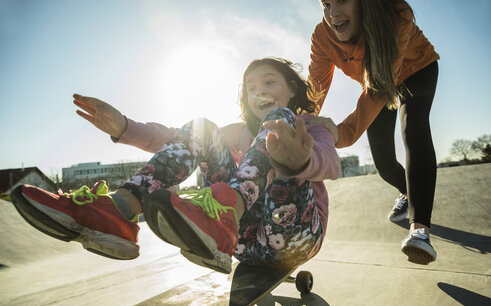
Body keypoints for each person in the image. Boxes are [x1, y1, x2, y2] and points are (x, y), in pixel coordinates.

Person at [13, 57, 340, 274]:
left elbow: (331, 163)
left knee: (280, 122)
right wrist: (125, 127)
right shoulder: (236, 133)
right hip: (239, 242)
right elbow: (174, 139)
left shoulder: (311, 125)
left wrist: (303, 160)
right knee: (204, 127)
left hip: (295, 237)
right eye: (252, 88)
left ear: (291, 87)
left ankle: (225, 213)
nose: (260, 93)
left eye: (269, 83)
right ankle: (118, 211)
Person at [308, 0, 439, 265]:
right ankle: (406, 192)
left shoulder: (395, 16)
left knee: (412, 127)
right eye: (326, 4)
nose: (332, 14)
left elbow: (380, 87)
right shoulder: (323, 36)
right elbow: (313, 93)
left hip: (417, 70)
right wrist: (293, 125)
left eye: (341, 1)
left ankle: (420, 230)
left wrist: (340, 133)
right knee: (383, 161)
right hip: (376, 83)